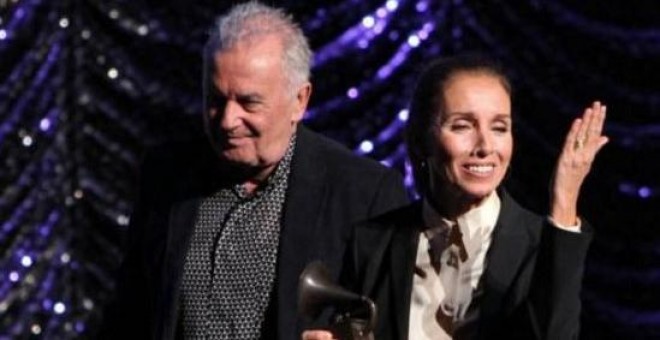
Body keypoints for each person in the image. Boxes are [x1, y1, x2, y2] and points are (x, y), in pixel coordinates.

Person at [101, 2, 408, 339]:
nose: (228, 121)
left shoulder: (365, 193)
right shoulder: (166, 176)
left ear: (299, 101)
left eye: (249, 103)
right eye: (216, 100)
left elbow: (396, 324)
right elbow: (128, 316)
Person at [303, 55, 607, 339]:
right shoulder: (371, 243)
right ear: (424, 140)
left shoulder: (544, 245)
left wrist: (565, 199)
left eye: (499, 127)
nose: (486, 146)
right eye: (462, 125)